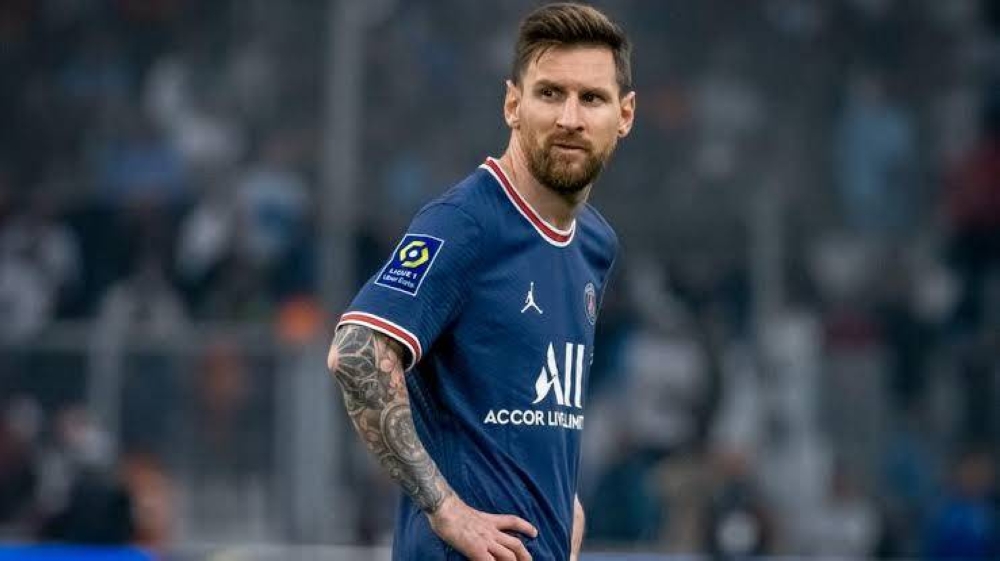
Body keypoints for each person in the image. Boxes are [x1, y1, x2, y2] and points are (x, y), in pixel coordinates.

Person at [326, 3, 635, 560]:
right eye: (550, 93)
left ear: (625, 115)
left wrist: (564, 502)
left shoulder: (594, 242)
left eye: (591, 98)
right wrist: (445, 509)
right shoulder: (465, 223)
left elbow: (530, 402)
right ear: (513, 104)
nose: (570, 117)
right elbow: (355, 352)